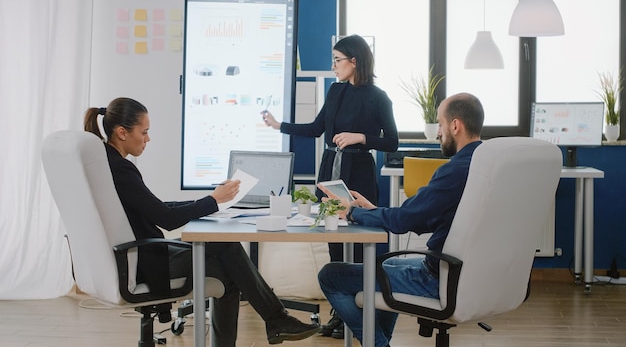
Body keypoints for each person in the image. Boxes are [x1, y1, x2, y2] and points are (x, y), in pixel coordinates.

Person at [83, 97, 320, 347]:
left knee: (227, 268)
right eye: (144, 132)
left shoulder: (108, 163)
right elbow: (166, 219)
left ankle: (276, 320)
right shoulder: (120, 169)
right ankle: (277, 319)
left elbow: (156, 208)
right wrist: (213, 201)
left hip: (134, 255)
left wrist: (207, 201)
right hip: (145, 262)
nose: (148, 139)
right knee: (227, 253)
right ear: (122, 132)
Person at [317, 92, 485, 347]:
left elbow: (403, 222)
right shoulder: (485, 165)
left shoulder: (455, 170)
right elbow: (421, 219)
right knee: (383, 270)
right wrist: (373, 210)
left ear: (455, 125)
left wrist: (351, 212)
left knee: (330, 275)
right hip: (467, 272)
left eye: (440, 124)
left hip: (438, 279)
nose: (438, 132)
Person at [261, 35, 399, 337]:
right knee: (334, 241)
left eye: (337, 60)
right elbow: (315, 128)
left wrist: (360, 137)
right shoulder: (335, 91)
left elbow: (392, 141)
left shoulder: (378, 97)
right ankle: (341, 314)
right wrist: (278, 125)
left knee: (361, 242)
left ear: (355, 61)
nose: (333, 66)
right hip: (330, 171)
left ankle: (363, 314)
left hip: (359, 171)